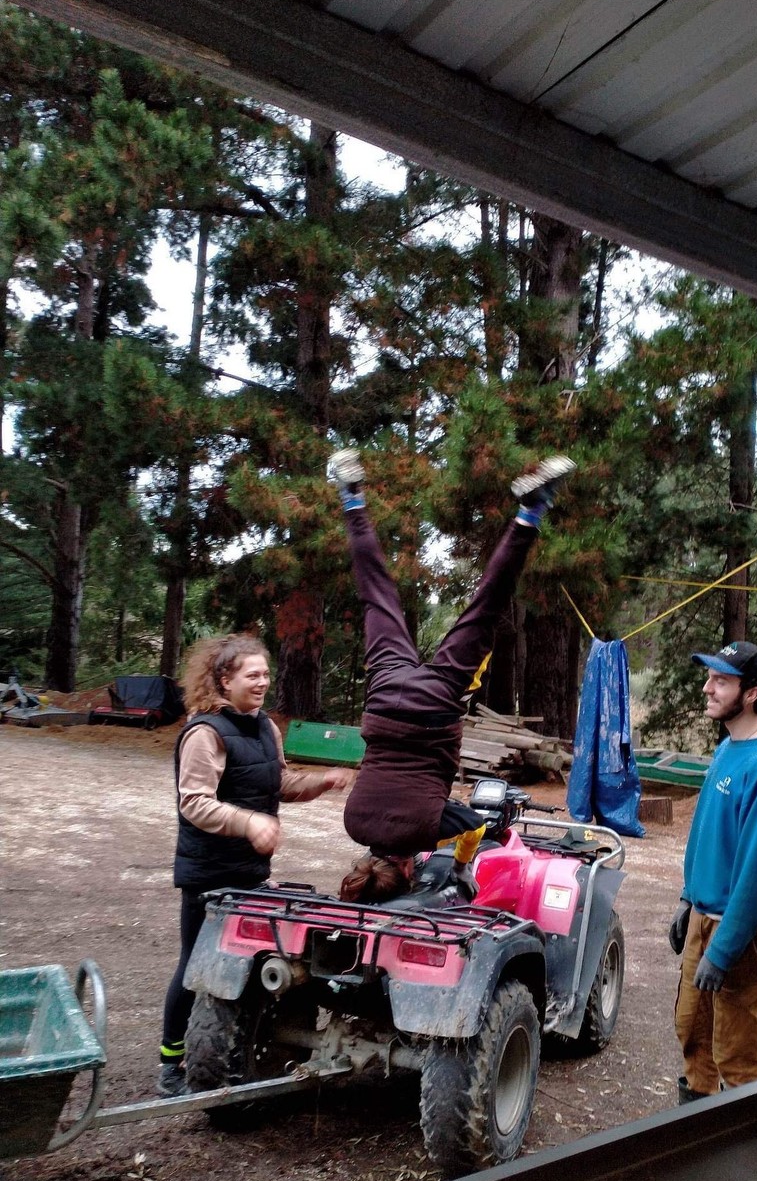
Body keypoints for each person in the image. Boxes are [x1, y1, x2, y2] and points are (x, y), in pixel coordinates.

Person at [330, 447, 574, 905]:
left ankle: (532, 510)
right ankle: (351, 497)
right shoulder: (354, 823)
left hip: (435, 708)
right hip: (385, 699)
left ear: (407, 872)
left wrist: (462, 868)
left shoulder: (427, 833)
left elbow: (478, 827)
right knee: (375, 594)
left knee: (486, 605)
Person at [157, 634, 352, 1097]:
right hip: (208, 872)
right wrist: (248, 823)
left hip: (250, 872)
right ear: (225, 679)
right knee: (195, 965)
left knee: (247, 963)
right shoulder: (204, 733)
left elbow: (277, 781)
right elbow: (195, 803)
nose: (263, 682)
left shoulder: (266, 727)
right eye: (252, 674)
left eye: (266, 673)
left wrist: (320, 782)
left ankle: (233, 1049)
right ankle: (170, 1063)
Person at [668, 640, 757, 1103]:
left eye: (721, 681)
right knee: (692, 1031)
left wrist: (722, 951)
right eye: (709, 678)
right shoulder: (728, 749)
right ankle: (696, 1129)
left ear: (751, 694)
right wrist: (688, 896)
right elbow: (709, 835)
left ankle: (745, 1152)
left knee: (736, 1055)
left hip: (740, 931)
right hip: (706, 915)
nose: (707, 688)